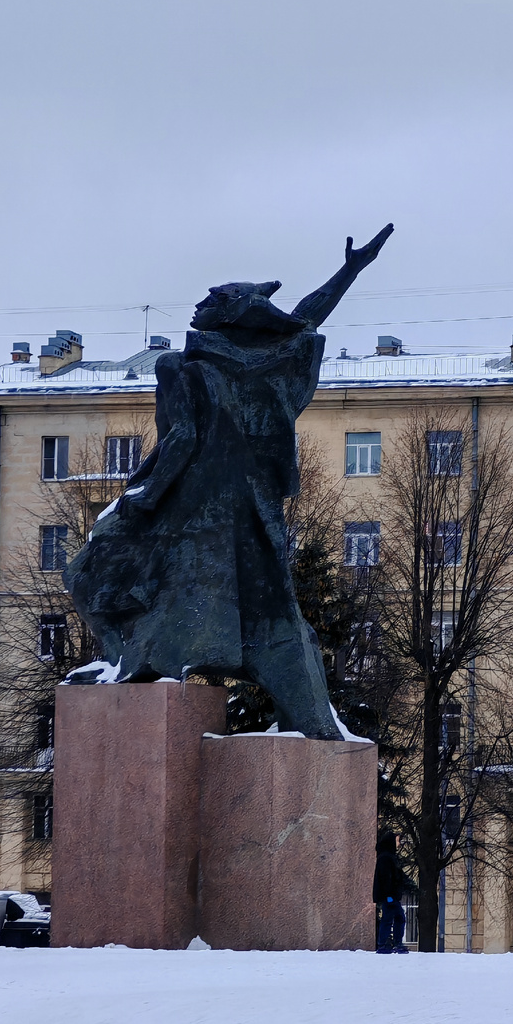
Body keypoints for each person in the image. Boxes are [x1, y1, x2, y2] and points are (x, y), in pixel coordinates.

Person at [64, 226, 393, 740]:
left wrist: (145, 496)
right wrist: (351, 270)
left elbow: (180, 440)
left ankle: (121, 660)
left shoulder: (181, 367)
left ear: (230, 313)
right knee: (261, 607)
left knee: (87, 570)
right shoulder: (257, 366)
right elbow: (301, 321)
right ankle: (132, 661)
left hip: (185, 509)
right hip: (248, 510)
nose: (198, 305)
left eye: (211, 300)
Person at [372, 830, 409, 954]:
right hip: (389, 895)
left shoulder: (388, 856)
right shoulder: (386, 858)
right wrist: (389, 895)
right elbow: (386, 878)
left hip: (391, 895)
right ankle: (385, 944)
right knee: (391, 918)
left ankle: (392, 943)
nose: (399, 844)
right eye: (397, 841)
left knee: (397, 917)